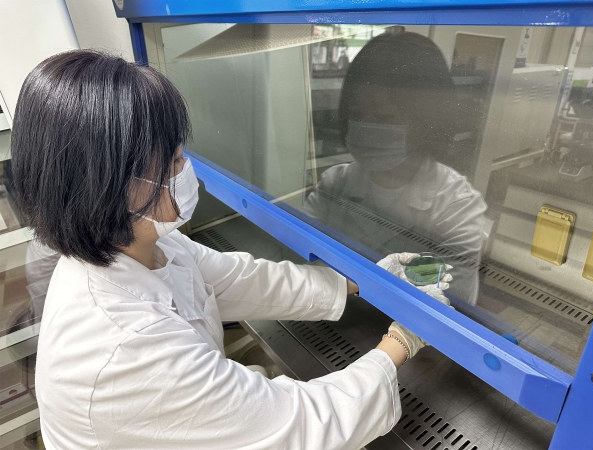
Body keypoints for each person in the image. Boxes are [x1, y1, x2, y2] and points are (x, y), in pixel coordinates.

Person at [11, 50, 451, 450]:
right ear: (105, 184)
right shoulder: (125, 348)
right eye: (170, 159)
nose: (185, 166)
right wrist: (400, 341)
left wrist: (361, 280)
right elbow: (303, 426)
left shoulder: (142, 246)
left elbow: (240, 279)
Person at [304, 32, 487, 305]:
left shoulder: (457, 208)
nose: (365, 126)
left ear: (426, 121)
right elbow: (302, 263)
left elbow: (449, 305)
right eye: (356, 114)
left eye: (383, 116)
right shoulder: (334, 183)